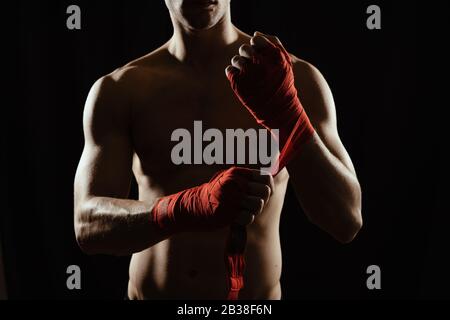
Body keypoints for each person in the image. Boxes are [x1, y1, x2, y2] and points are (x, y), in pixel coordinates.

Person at [74, 0, 362, 299]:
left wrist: (289, 115)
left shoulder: (294, 79)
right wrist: (187, 207)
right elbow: (87, 225)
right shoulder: (122, 89)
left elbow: (346, 220)